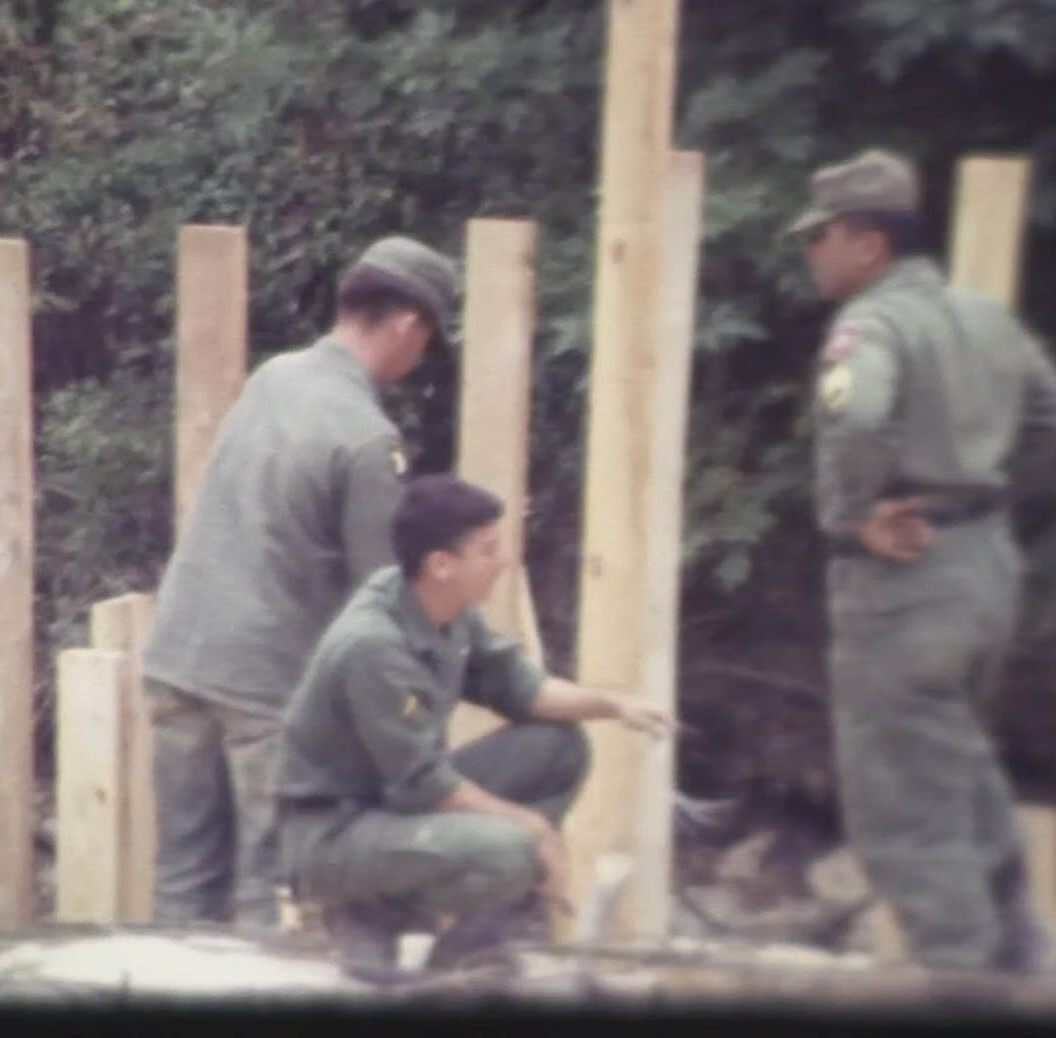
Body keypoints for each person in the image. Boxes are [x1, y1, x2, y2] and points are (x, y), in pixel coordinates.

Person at [783, 148, 1056, 975]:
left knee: (902, 803)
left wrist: (853, 516)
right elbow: (1052, 416)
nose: (810, 252)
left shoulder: (870, 326)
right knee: (952, 755)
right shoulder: (985, 316)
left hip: (905, 579)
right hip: (985, 565)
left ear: (866, 242)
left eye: (821, 237)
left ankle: (962, 977)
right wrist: (983, 496)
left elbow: (861, 413)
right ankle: (1018, 954)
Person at [140, 236, 463, 929]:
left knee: (183, 883)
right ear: (408, 323)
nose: (420, 360)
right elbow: (380, 602)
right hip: (264, 691)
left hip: (177, 662)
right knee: (271, 895)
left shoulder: (273, 377)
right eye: (428, 339)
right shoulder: (367, 439)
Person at [275, 475, 673, 985]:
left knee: (558, 746)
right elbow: (425, 784)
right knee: (511, 848)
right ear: (441, 564)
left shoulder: (441, 609)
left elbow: (523, 689)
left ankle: (468, 945)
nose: (503, 562)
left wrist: (615, 705)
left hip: (392, 808)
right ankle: (367, 912)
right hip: (333, 836)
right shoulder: (373, 646)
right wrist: (535, 828)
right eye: (489, 551)